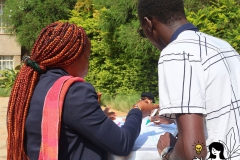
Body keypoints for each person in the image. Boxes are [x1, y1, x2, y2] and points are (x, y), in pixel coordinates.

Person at [6, 22, 157, 160]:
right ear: (72, 58)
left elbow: (64, 123)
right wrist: (137, 110)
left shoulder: (33, 85)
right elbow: (122, 144)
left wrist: (96, 119)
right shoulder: (74, 92)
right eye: (88, 56)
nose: (88, 63)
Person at [137, 0, 240, 160]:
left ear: (148, 24)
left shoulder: (175, 53)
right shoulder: (224, 47)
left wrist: (167, 152)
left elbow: (194, 151)